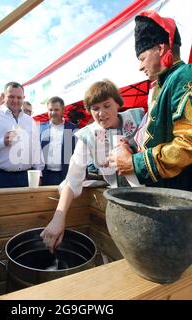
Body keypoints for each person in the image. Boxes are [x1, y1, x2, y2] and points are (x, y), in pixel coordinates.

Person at [110, 11, 192, 191]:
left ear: (160, 49)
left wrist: (136, 163)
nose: (140, 67)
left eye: (142, 58)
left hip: (184, 195)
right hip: (168, 192)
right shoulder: (163, 84)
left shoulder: (188, 75)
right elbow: (152, 135)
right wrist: (127, 146)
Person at [40, 80, 144, 252]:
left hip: (150, 191)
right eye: (95, 108)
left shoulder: (138, 118)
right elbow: (73, 178)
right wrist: (58, 218)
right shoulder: (88, 135)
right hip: (119, 200)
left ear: (117, 103)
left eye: (106, 105)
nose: (101, 113)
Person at [0, 82, 44, 188]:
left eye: (19, 97)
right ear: (4, 97)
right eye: (11, 97)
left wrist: (39, 174)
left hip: (25, 177)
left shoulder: (30, 121)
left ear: (23, 98)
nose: (15, 101)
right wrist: (2, 142)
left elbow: (36, 149)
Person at [40, 96, 78, 186]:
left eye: (56, 110)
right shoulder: (40, 128)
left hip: (66, 176)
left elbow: (80, 153)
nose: (53, 113)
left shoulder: (73, 128)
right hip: (45, 175)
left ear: (63, 110)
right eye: (50, 110)